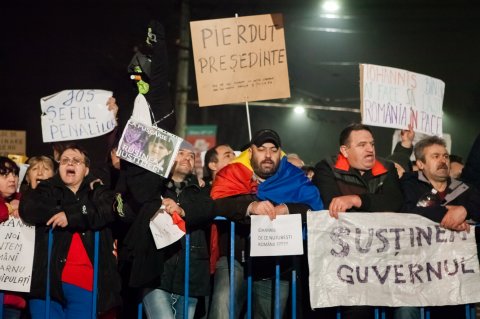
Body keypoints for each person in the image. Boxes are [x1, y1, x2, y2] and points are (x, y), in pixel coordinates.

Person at [210, 129, 323, 319]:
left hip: (277, 264)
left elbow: (314, 207)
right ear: (251, 152)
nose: (268, 155)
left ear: (280, 153)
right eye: (261, 149)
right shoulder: (232, 173)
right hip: (235, 258)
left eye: (273, 149)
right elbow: (217, 203)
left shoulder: (293, 176)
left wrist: (286, 208)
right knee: (222, 312)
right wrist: (251, 205)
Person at [312, 123, 409, 319]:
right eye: (362, 145)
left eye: (372, 144)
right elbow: (331, 204)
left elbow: (394, 201)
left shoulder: (386, 168)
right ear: (344, 151)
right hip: (343, 260)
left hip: (383, 258)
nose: (370, 149)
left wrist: (357, 200)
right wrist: (374, 208)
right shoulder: (327, 167)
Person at [19, 143, 121, 318]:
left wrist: (70, 216)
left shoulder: (97, 190)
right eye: (65, 160)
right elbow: (29, 208)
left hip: (84, 283)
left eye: (76, 161)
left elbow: (109, 209)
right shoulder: (47, 188)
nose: (70, 163)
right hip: (46, 283)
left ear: (86, 170)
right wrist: (80, 212)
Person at [123, 141, 213, 319]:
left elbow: (210, 208)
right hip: (156, 274)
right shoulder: (153, 188)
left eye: (191, 156)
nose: (187, 158)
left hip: (190, 277)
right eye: (181, 153)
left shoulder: (202, 189)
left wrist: (181, 209)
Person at [400, 136, 480, 319]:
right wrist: (445, 213)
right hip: (414, 273)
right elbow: (405, 211)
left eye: (445, 156)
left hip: (454, 276)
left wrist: (465, 210)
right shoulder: (407, 184)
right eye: (435, 156)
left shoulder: (465, 189)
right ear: (420, 164)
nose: (443, 160)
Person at [0, 157, 26, 319]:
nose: (12, 178)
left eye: (15, 174)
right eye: (5, 174)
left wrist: (23, 207)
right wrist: (9, 208)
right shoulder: (13, 203)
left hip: (12, 297)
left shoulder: (24, 200)